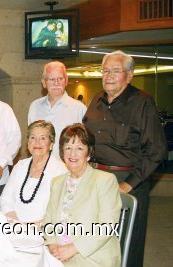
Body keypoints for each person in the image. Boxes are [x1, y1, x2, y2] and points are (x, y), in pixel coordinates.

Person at [83, 50, 166, 267]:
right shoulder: (96, 101)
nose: (108, 75)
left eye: (116, 71)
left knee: (126, 245)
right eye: (105, 70)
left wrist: (129, 184)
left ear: (129, 75)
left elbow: (156, 149)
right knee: (97, 241)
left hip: (127, 181)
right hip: (97, 181)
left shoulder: (142, 102)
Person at [44, 123, 121, 266]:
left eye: (79, 148)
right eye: (68, 148)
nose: (72, 154)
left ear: (89, 153)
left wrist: (73, 248)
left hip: (93, 258)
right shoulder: (57, 182)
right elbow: (48, 219)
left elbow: (107, 225)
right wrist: (52, 245)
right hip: (58, 254)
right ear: (62, 152)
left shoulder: (105, 180)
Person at [0, 120, 67, 223]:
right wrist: (17, 223)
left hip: (44, 231)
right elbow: (5, 199)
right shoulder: (20, 166)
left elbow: (60, 209)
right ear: (28, 143)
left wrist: (32, 227)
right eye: (33, 137)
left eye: (43, 138)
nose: (37, 142)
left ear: (51, 143)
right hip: (14, 225)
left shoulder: (61, 170)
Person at [28, 61, 86, 159]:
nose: (56, 83)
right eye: (51, 79)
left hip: (67, 170)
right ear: (44, 82)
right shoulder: (35, 106)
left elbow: (85, 145)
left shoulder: (79, 109)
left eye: (60, 78)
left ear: (66, 81)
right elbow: (32, 141)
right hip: (40, 168)